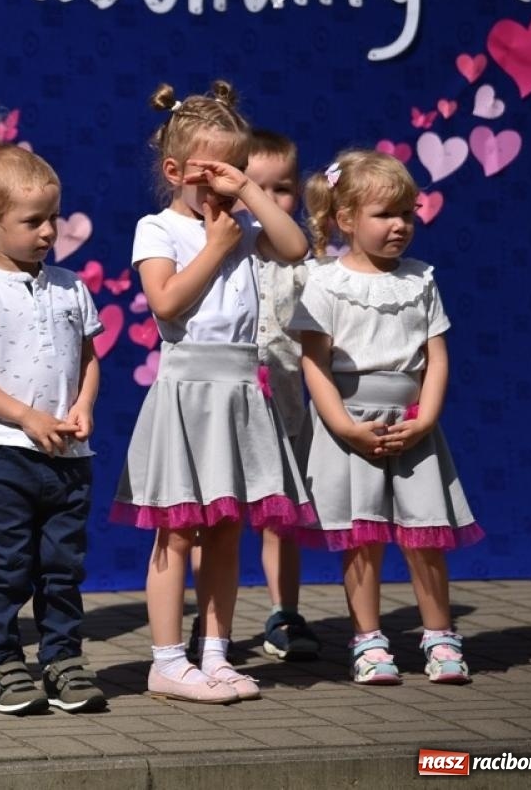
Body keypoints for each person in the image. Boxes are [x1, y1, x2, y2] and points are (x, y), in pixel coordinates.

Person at [111, 82, 311, 705]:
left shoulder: (246, 221)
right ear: (174, 171)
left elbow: (297, 245)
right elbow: (166, 303)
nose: (223, 184)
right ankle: (168, 661)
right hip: (187, 389)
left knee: (227, 532)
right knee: (177, 531)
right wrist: (219, 245)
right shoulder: (158, 227)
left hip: (238, 393)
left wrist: (248, 194)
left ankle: (217, 654)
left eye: (236, 169)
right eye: (210, 171)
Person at [291, 150, 482, 686]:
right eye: (384, 214)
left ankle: (441, 637)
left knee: (426, 535)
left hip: (411, 425)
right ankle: (369, 642)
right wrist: (345, 427)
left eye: (408, 213)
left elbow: (436, 357)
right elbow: (315, 362)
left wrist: (425, 420)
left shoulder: (420, 280)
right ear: (346, 219)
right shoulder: (326, 282)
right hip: (350, 427)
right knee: (361, 538)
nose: (400, 225)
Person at [0, 145, 107, 715]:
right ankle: (1, 665)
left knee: (62, 568)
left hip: (69, 455)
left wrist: (83, 404)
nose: (47, 232)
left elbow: (90, 358)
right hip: (5, 454)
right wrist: (25, 416)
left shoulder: (71, 286)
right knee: (10, 567)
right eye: (32, 222)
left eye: (53, 219)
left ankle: (62, 659)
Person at [186, 129, 322, 663]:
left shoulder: (298, 260)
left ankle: (284, 612)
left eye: (279, 189)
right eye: (250, 186)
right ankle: (209, 620)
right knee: (210, 519)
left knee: (277, 519)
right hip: (223, 407)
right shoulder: (221, 243)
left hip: (281, 407)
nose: (263, 199)